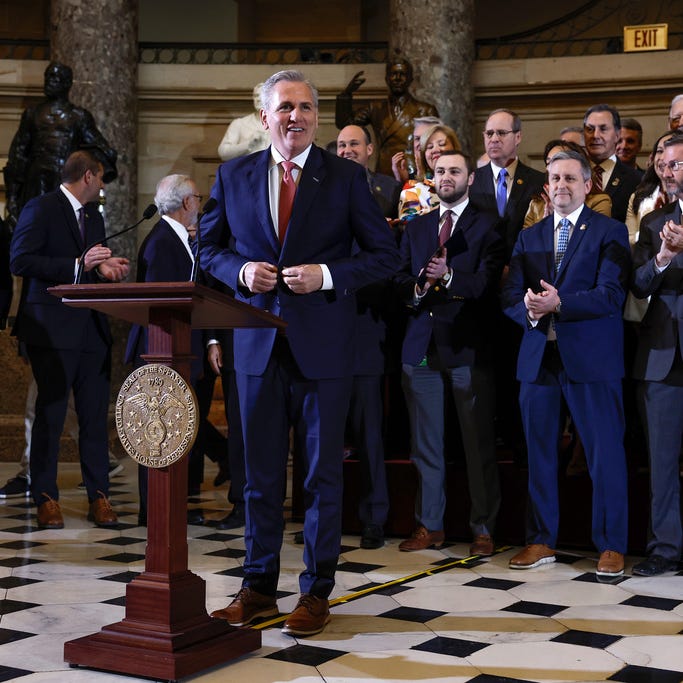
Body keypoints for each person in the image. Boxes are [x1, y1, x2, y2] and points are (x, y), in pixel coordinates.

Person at [200, 69, 400, 637]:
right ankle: (259, 587)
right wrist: (240, 270)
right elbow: (207, 250)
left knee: (321, 479)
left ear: (318, 116)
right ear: (265, 117)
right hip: (256, 348)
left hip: (324, 351)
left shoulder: (344, 177)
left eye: (307, 107)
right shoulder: (233, 175)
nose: (297, 116)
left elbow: (383, 255)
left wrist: (328, 274)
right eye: (285, 107)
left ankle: (315, 592)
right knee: (259, 478)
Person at [502, 149, 631, 577]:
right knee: (539, 455)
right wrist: (532, 311)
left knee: (603, 454)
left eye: (570, 179)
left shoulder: (609, 232)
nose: (561, 185)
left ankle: (611, 545)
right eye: (555, 178)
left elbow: (611, 295)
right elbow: (509, 298)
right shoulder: (529, 237)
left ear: (587, 185)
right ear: (546, 186)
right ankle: (541, 541)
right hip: (539, 358)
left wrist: (561, 303)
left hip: (591, 360)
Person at [10, 150, 129, 529]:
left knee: (94, 419)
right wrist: (78, 265)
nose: (104, 186)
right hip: (51, 329)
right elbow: (20, 260)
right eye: (102, 179)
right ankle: (45, 497)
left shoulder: (93, 215)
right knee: (51, 415)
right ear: (89, 177)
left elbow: (88, 266)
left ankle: (100, 496)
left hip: (91, 330)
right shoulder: (41, 207)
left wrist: (104, 268)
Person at [396, 151, 505, 556]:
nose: (445, 177)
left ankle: (483, 529)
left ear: (469, 177)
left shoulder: (489, 226)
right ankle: (430, 525)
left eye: (453, 171)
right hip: (421, 348)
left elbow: (486, 284)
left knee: (476, 444)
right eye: (439, 171)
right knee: (426, 444)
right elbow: (401, 278)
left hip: (467, 347)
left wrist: (451, 276)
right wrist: (420, 288)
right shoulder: (417, 227)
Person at [124, 174, 210, 526]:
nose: (200, 205)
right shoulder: (162, 243)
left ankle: (165, 508)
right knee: (154, 434)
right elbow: (161, 305)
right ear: (188, 203)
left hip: (177, 349)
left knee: (170, 431)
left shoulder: (173, 239)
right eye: (198, 198)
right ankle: (155, 512)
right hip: (159, 349)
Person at [335, 124, 400, 549]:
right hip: (323, 336)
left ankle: (374, 517)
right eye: (339, 145)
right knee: (323, 437)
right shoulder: (319, 198)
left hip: (365, 334)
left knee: (369, 433)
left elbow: (388, 267)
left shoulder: (385, 198)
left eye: (353, 144)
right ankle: (324, 516)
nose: (345, 151)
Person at [630, 133, 683, 576]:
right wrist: (664, 256)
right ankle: (665, 548)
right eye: (664, 164)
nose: (668, 171)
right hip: (662, 356)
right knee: (662, 460)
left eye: (677, 163)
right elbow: (639, 283)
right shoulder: (653, 223)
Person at [3, 61, 117, 230]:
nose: (50, 81)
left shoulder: (79, 116)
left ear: (67, 83)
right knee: (36, 227)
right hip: (36, 181)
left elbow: (102, 149)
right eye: (47, 76)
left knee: (64, 229)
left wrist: (96, 169)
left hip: (66, 180)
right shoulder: (32, 114)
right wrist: (12, 196)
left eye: (55, 77)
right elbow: (18, 155)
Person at [335, 59, 439, 177]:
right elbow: (345, 124)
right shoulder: (376, 108)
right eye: (393, 74)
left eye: (402, 74)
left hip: (414, 172)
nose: (398, 78)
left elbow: (436, 147)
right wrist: (346, 95)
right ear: (386, 78)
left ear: (410, 79)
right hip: (384, 172)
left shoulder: (425, 110)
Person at [470, 108, 545, 260]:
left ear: (518, 137)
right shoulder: (470, 181)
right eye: (489, 133)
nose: (494, 139)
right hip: (480, 272)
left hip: (523, 270)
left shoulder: (539, 181)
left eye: (502, 133)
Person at [523, 139, 612, 228]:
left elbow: (594, 238)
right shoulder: (536, 204)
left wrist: (559, 213)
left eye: (562, 159)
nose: (556, 167)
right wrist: (547, 224)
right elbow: (526, 240)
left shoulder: (599, 201)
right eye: (549, 163)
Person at [583, 104, 641, 223]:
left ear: (617, 135)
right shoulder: (570, 176)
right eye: (590, 129)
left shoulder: (637, 180)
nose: (595, 135)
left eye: (603, 129)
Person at [398, 124, 461, 221]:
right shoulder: (412, 189)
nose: (436, 150)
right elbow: (409, 228)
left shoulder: (470, 183)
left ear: (455, 149)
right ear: (424, 156)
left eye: (442, 144)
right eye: (430, 147)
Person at [337, 124, 401, 219]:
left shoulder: (391, 187)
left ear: (369, 149)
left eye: (354, 144)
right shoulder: (323, 187)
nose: (347, 150)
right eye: (342, 145)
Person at [217, 83, 270, 161]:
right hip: (245, 170)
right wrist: (248, 144)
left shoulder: (280, 125)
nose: (258, 99)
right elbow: (223, 153)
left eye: (262, 96)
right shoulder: (240, 124)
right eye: (256, 96)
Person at [391, 115, 442, 185]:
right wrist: (401, 181)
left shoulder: (448, 174)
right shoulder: (411, 178)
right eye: (417, 139)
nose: (420, 143)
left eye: (425, 138)